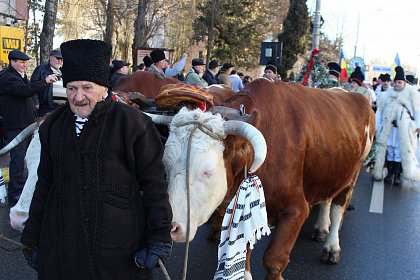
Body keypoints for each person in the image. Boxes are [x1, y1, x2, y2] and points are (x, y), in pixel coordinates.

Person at [20, 39, 173, 279]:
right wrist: (31, 237)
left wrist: (159, 237)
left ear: (104, 88)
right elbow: (45, 184)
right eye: (71, 88)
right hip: (61, 246)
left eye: (87, 88)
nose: (78, 97)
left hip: (117, 250)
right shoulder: (52, 126)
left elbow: (155, 186)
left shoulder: (134, 125)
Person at [0, 50, 57, 206]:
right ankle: (15, 194)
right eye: (21, 62)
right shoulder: (8, 78)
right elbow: (24, 91)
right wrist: (44, 81)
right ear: (12, 62)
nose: (24, 65)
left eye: (25, 62)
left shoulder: (19, 76)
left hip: (25, 123)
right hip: (16, 125)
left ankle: (22, 189)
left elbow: (28, 92)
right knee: (17, 160)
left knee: (24, 158)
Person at [373, 66, 420, 185]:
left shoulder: (411, 95)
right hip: (389, 129)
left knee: (400, 151)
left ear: (404, 83)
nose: (397, 84)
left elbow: (417, 111)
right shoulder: (386, 96)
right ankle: (390, 174)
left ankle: (398, 175)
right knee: (389, 150)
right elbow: (379, 113)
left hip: (403, 130)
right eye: (396, 82)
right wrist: (376, 127)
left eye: (400, 82)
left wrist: (418, 126)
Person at [30, 49, 63, 117]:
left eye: (61, 59)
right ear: (50, 58)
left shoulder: (63, 71)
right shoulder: (41, 69)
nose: (60, 60)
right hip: (46, 108)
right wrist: (36, 102)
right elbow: (33, 85)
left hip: (61, 108)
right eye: (57, 58)